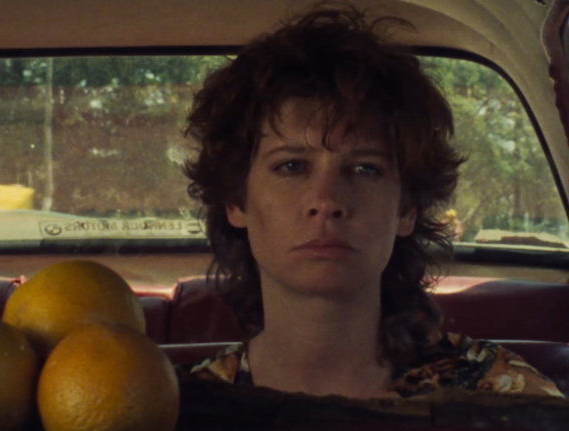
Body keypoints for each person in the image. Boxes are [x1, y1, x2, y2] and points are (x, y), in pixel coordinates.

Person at [181, 5, 564, 399]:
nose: (327, 201)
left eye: (365, 169)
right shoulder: (180, 410)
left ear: (407, 209)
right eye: (292, 166)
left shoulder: (502, 395)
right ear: (235, 201)